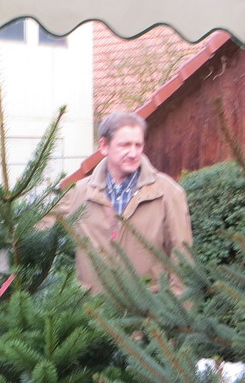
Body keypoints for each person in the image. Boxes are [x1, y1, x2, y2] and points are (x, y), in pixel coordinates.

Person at [55, 111, 192, 294]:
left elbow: (183, 257)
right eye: (125, 145)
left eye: (138, 145)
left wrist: (176, 313)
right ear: (104, 146)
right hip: (94, 312)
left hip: (148, 312)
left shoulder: (167, 192)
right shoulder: (78, 193)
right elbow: (35, 231)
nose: (133, 153)